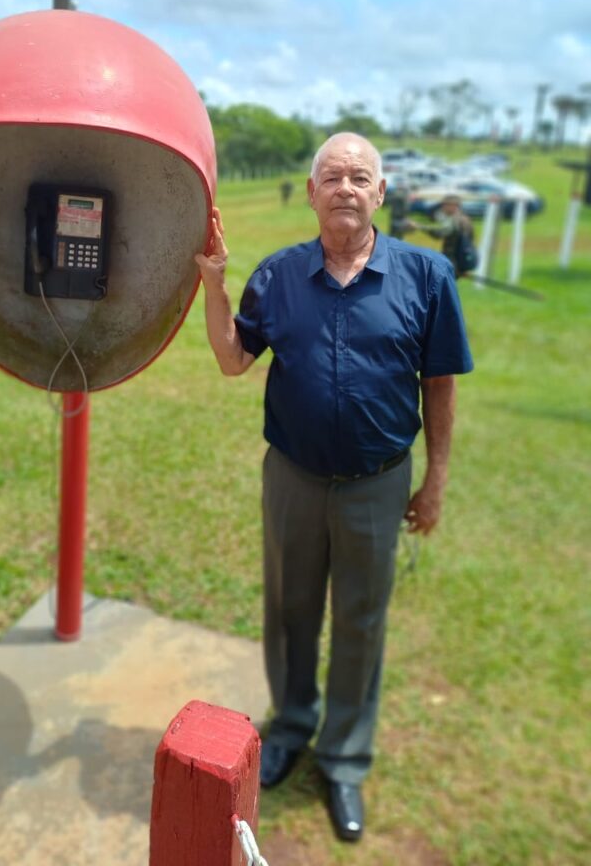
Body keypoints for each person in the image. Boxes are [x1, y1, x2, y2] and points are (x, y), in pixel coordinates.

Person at [195, 133, 473, 843]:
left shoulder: (427, 277)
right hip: (292, 476)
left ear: (381, 194)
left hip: (379, 486)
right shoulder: (279, 275)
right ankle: (290, 727)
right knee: (290, 608)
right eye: (331, 177)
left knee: (361, 620)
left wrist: (436, 481)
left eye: (359, 176)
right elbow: (233, 360)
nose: (345, 187)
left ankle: (344, 757)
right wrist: (215, 281)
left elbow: (438, 386)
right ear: (313, 193)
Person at [410, 193, 475, 277]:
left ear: (454, 206)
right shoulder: (464, 219)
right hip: (458, 261)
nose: (443, 208)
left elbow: (440, 232)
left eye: (445, 205)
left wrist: (418, 226)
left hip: (453, 260)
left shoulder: (457, 220)